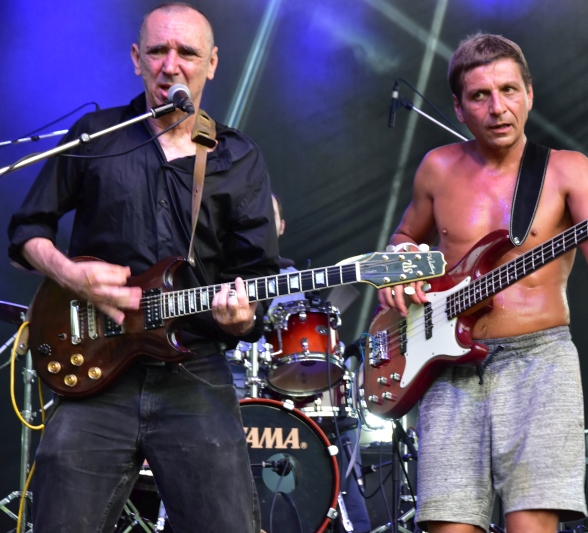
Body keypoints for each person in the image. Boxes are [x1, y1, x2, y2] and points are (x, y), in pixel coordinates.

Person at [7, 4, 279, 532]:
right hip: (95, 368)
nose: (170, 65)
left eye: (187, 53)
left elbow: (258, 275)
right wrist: (70, 274)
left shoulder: (238, 157)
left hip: (192, 370)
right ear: (136, 59)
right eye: (157, 51)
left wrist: (243, 318)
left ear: (211, 64)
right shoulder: (96, 136)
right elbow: (26, 233)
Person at [377, 33, 588, 533]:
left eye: (508, 90)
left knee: (531, 525)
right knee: (447, 524)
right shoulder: (437, 168)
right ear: (459, 108)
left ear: (529, 94)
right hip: (447, 368)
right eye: (480, 96)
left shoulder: (567, 169)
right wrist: (399, 263)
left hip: (539, 363)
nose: (497, 108)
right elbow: (404, 237)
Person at [231, 193, 373, 533]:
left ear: (280, 226)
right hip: (230, 383)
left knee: (341, 425)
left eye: (269, 217)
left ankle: (346, 516)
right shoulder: (218, 276)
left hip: (286, 390)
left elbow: (308, 347)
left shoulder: (293, 278)